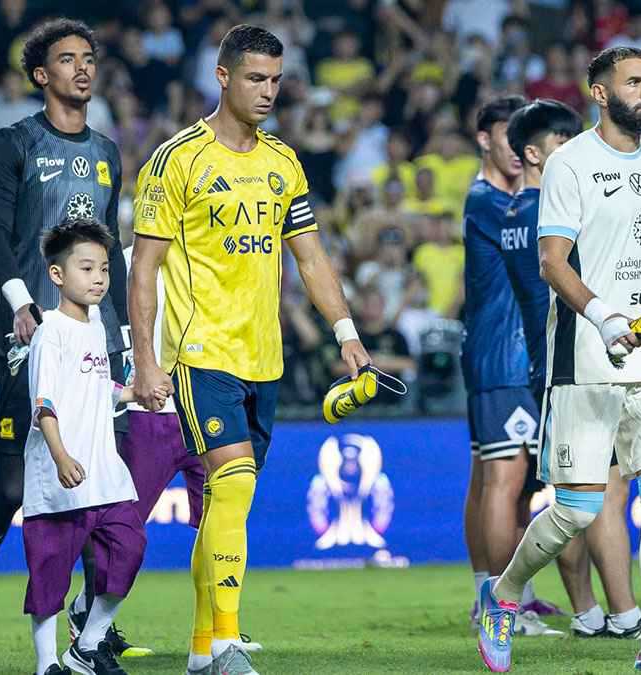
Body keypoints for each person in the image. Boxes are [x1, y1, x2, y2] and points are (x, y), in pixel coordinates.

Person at [128, 25, 372, 675]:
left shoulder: (283, 162)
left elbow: (312, 257)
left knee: (227, 503)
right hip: (200, 351)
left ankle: (202, 648)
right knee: (231, 486)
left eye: (276, 79)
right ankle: (230, 642)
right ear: (223, 77)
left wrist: (346, 334)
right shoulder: (177, 159)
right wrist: (149, 361)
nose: (268, 91)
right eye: (256, 78)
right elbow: (143, 268)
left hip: (265, 357)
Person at [477, 46, 641, 673]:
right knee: (578, 509)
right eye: (633, 82)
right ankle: (502, 595)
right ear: (600, 92)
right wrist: (605, 317)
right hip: (586, 359)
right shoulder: (570, 164)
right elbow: (551, 261)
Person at [0, 19, 147, 660]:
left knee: (100, 484)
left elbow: (108, 253)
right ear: (41, 75)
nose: (82, 69)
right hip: (26, 332)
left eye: (89, 58)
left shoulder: (109, 153)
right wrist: (20, 302)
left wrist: (128, 337)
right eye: (67, 59)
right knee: (10, 489)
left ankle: (94, 627)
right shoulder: (13, 143)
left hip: (97, 340)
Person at [502, 98, 641, 640]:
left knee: (577, 494)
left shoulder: (514, 214)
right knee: (600, 493)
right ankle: (624, 613)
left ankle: (588, 611)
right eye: (563, 142)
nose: (575, 151)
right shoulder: (553, 218)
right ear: (535, 154)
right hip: (577, 361)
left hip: (556, 363)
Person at [22, 219, 163, 675]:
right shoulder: (51, 332)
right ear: (58, 275)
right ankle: (47, 665)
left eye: (104, 268)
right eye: (87, 268)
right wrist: (61, 456)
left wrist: (132, 393)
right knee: (50, 576)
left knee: (129, 547)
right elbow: (43, 404)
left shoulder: (98, 323)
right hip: (59, 478)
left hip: (104, 472)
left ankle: (88, 644)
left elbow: (94, 389)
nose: (99, 278)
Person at [461, 95, 575, 637]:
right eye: (506, 137)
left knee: (492, 479)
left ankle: (503, 592)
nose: (514, 148)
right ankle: (500, 604)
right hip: (506, 356)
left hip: (495, 355)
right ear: (485, 139)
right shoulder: (489, 200)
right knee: (505, 481)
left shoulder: (504, 201)